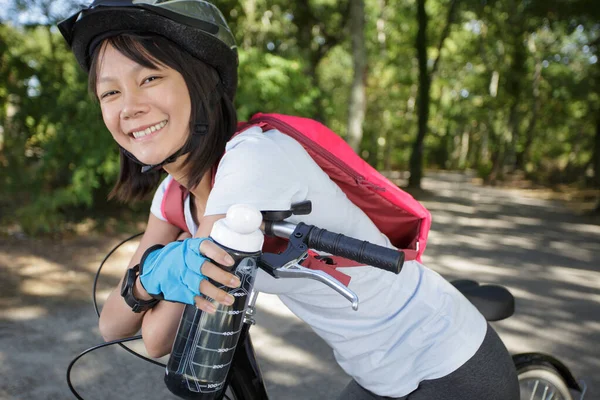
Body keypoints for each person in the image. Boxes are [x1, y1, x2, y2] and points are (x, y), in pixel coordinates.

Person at [58, 1, 519, 399]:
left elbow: (157, 337)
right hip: (377, 374)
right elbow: (113, 326)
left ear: (202, 83)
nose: (128, 106)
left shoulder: (255, 159)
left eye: (150, 78)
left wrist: (153, 273)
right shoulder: (173, 195)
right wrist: (151, 277)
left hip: (449, 363)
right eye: (110, 92)